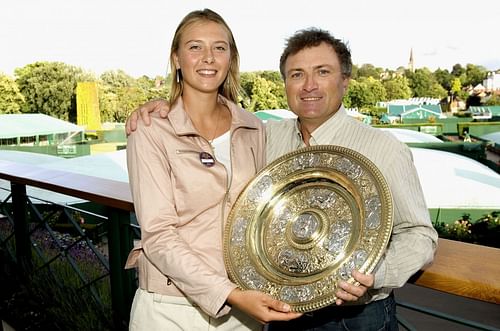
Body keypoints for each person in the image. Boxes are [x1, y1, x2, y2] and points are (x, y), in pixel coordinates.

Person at [126, 28, 438, 331]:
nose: (309, 86)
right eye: (297, 74)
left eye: (323, 72)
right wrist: (163, 109)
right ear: (286, 83)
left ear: (345, 80)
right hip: (280, 312)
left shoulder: (386, 149)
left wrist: (377, 273)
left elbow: (419, 233)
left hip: (355, 317)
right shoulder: (264, 137)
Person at [125, 9, 301, 331]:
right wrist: (230, 293)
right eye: (195, 47)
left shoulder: (253, 128)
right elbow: (159, 234)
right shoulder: (150, 129)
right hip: (169, 307)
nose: (208, 57)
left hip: (242, 309)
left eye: (219, 48)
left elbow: (263, 215)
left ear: (230, 59)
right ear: (177, 58)